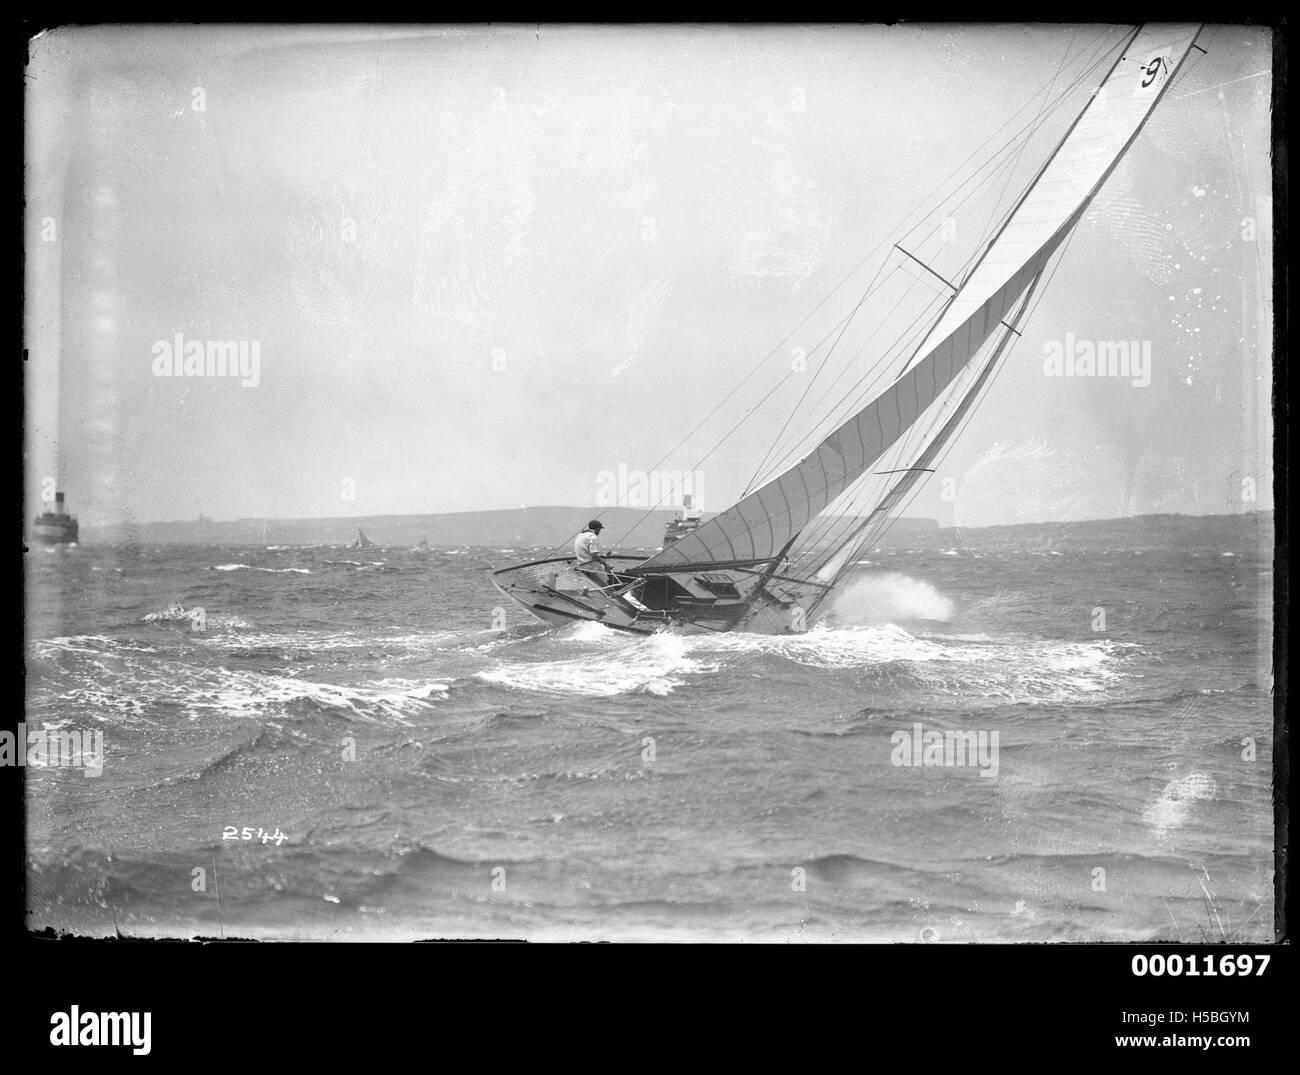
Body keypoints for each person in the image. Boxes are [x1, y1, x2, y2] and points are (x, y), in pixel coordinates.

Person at [574, 520, 611, 585]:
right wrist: (605, 564)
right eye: (599, 529)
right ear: (597, 529)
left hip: (581, 565)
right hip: (591, 566)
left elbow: (586, 551)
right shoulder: (593, 537)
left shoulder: (580, 535)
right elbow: (593, 555)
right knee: (605, 582)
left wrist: (602, 557)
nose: (599, 532)